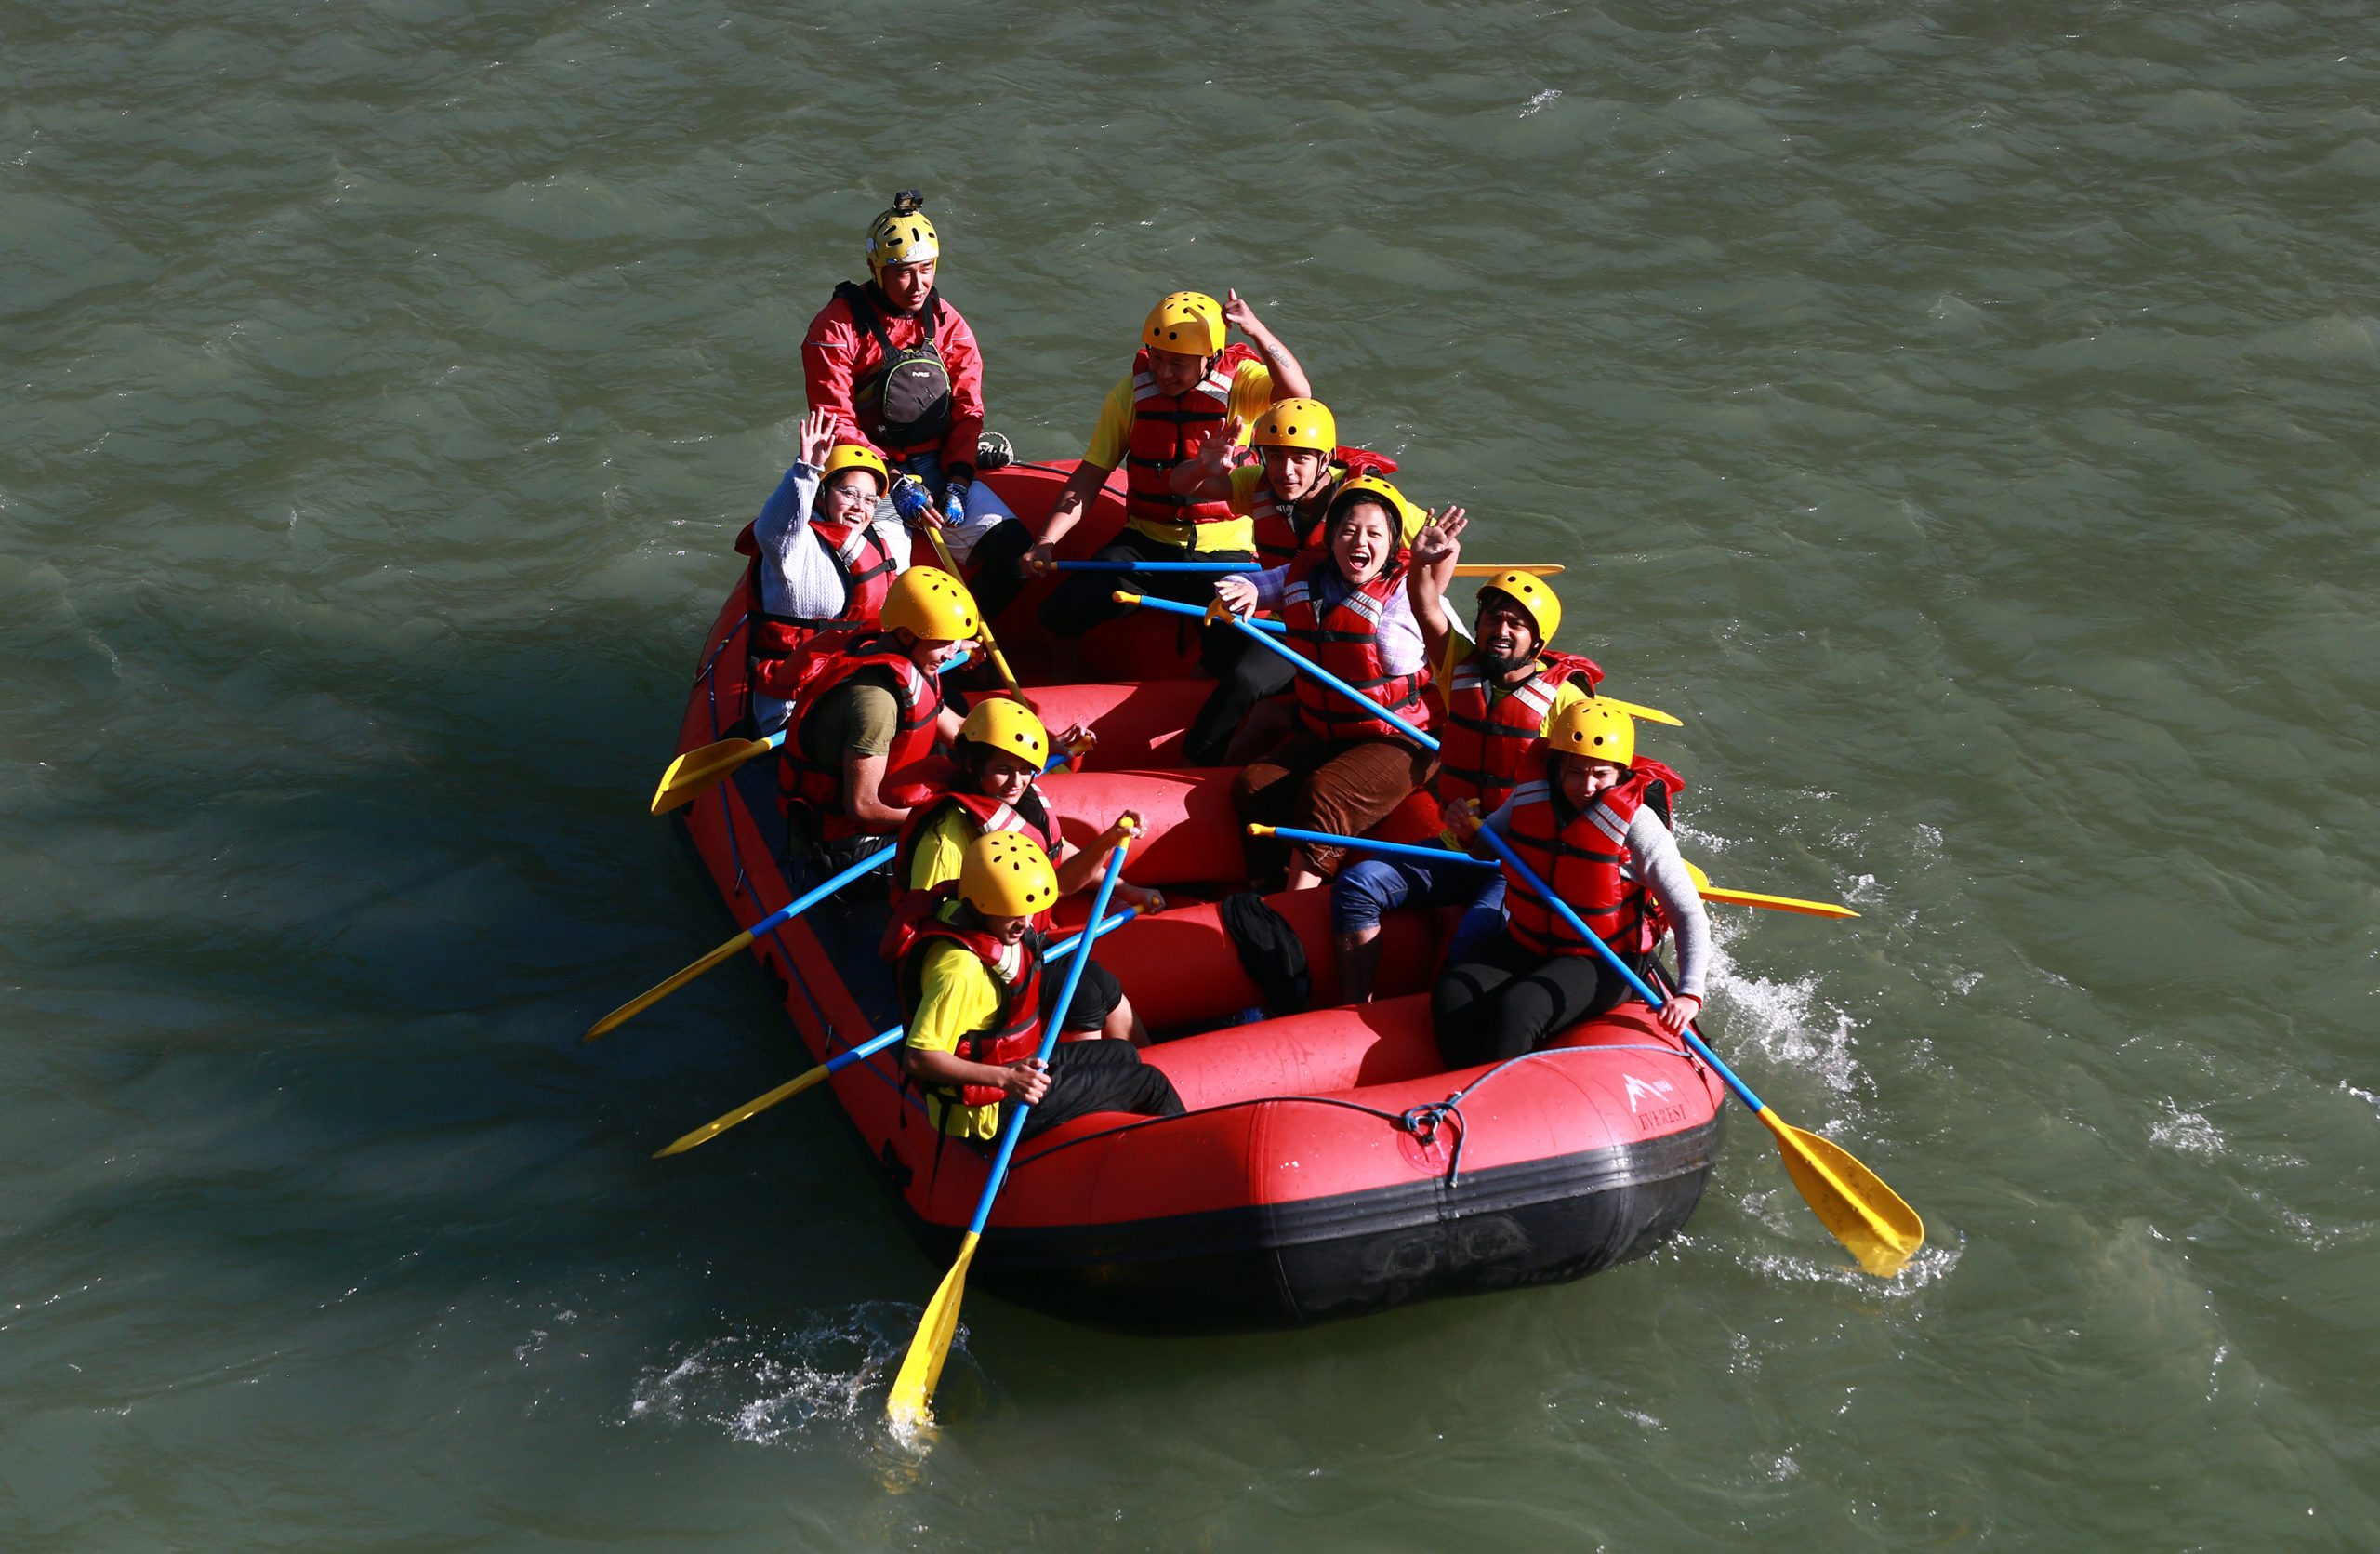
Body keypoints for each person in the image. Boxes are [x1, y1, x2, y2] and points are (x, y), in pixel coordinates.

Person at [1331, 517, 1604, 1002]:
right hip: (1456, 845)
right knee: (1357, 886)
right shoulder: (1459, 666)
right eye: (1493, 618)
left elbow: (1594, 785)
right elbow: (1426, 606)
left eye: (1516, 623)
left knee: (1470, 945)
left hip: (1516, 864)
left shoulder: (1566, 703)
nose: (1500, 630)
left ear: (1537, 641)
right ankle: (1354, 1009)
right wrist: (1423, 561)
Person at [962, 288, 1311, 635]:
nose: (1163, 372)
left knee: (1232, 645)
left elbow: (1299, 395)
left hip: (1224, 548)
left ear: (1211, 357)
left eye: (1178, 363)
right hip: (1145, 542)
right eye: (1157, 357)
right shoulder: (1129, 394)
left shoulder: (1243, 384)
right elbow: (1091, 475)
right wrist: (1046, 539)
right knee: (1059, 613)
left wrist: (1256, 330)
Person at [1430, 700, 1709, 1070]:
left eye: (1601, 774)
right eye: (1576, 771)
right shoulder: (1532, 796)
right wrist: (1466, 831)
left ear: (1620, 773)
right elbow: (1485, 849)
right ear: (1558, 764)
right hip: (1526, 942)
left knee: (1522, 1006)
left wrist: (1690, 994)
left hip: (1601, 959)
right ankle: (1459, 1086)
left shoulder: (1638, 825)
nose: (1587, 785)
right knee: (1453, 992)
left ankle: (1498, 1106)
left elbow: (1688, 912)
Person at [888, 699, 1162, 1044]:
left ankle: (1139, 1076)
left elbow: (1057, 873)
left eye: (1025, 769)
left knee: (1108, 989)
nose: (1017, 781)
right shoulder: (947, 833)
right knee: (1083, 1000)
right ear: (974, 766)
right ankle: (1089, 1089)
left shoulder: (1022, 801)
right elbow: (930, 917)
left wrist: (1115, 860)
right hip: (983, 955)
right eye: (1004, 769)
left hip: (1025, 938)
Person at [1223, 476, 1445, 894]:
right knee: (1253, 784)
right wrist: (1243, 592)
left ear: (1392, 543)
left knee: (1326, 791)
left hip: (1402, 738)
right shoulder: (1306, 574)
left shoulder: (1407, 597)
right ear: (1332, 536)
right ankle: (1265, 887)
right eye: (1349, 530)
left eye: (1374, 533)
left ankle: (1296, 903)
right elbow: (1256, 584)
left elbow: (1455, 655)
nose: (1359, 541)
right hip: (1330, 729)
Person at [895, 832, 1186, 1143]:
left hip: (1011, 1070)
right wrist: (1007, 1079)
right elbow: (917, 1058)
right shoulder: (959, 970)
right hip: (990, 1111)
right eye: (1012, 912)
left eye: (1028, 911)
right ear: (980, 904)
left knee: (1123, 1053)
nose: (1024, 923)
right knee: (1150, 1084)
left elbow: (1063, 883)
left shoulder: (987, 925)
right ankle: (1192, 1160)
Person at [1166, 397, 1402, 763]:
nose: (1285, 470)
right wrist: (1202, 467)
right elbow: (1181, 485)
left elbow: (1430, 552)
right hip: (1279, 614)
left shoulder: (1363, 501)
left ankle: (1194, 763)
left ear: (1325, 460)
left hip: (1332, 628)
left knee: (1244, 679)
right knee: (1215, 643)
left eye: (1300, 458)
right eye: (1275, 457)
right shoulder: (1257, 484)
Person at [801, 190, 993, 532]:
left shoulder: (949, 324)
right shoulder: (834, 328)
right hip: (869, 465)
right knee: (889, 559)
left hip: (938, 458)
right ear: (876, 270)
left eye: (927, 269)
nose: (918, 285)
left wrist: (959, 482)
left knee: (1007, 543)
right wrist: (894, 479)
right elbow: (835, 418)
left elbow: (968, 411)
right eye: (904, 272)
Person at [775, 566, 979, 871]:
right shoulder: (877, 705)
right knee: (964, 845)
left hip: (881, 799)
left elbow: (958, 730)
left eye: (956, 643)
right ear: (907, 635)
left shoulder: (889, 644)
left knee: (959, 708)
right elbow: (863, 807)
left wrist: (1039, 746)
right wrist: (941, 812)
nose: (953, 654)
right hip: (851, 843)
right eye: (944, 642)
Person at [743, 407, 912, 732]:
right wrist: (807, 469)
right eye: (847, 493)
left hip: (846, 676)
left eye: (869, 500)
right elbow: (774, 528)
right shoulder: (793, 544)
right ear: (821, 494)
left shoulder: (872, 543)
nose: (859, 507)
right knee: (877, 713)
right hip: (792, 701)